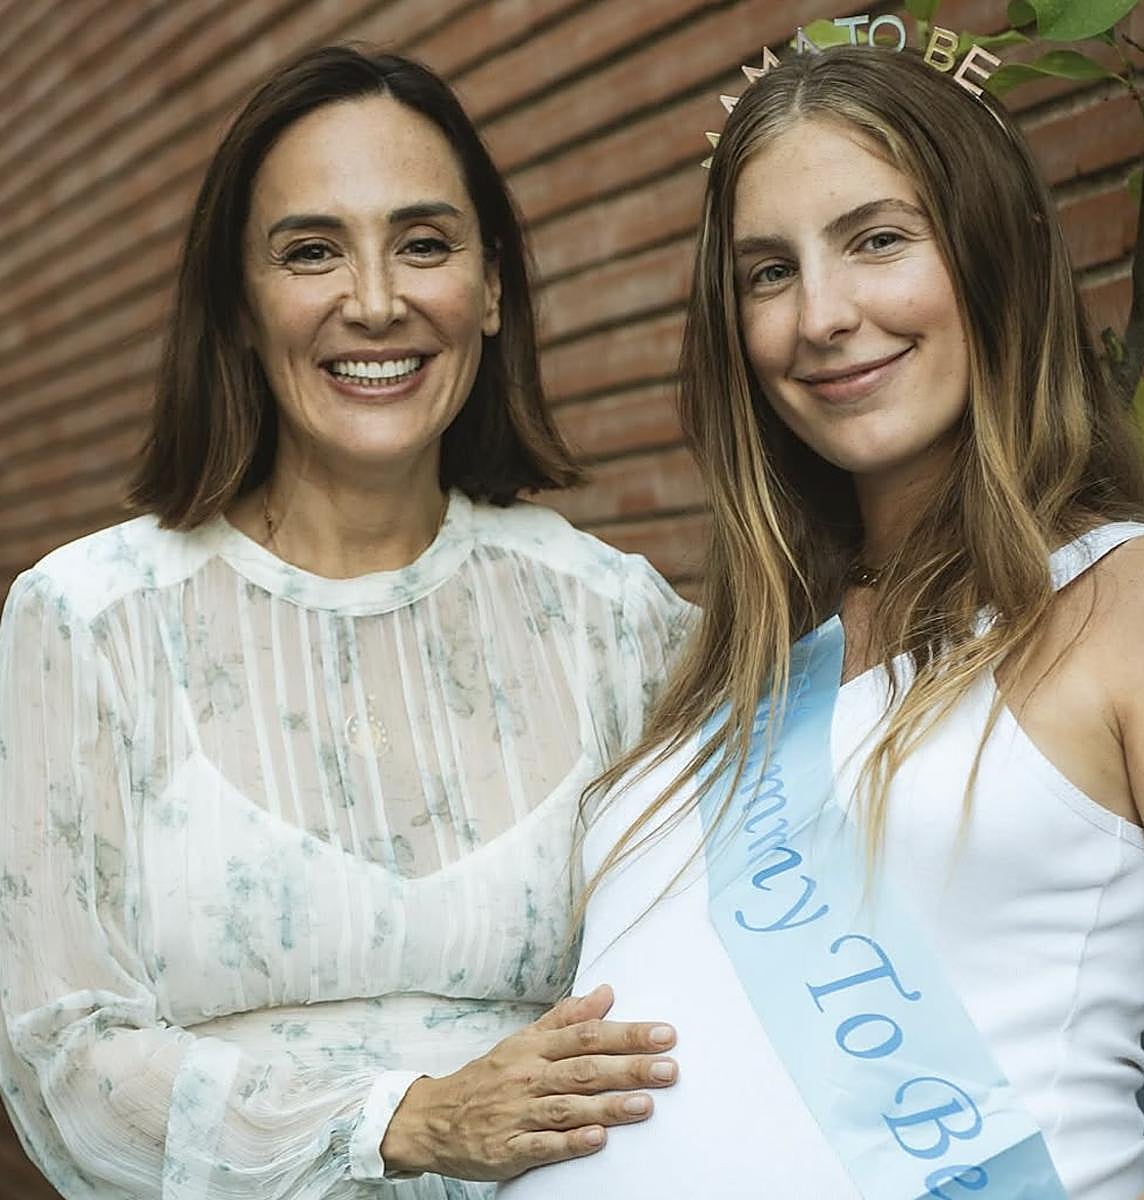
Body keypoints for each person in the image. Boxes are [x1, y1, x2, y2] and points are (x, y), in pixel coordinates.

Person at [501, 40, 1144, 1200]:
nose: (820, 316)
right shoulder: (741, 666)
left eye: (877, 239)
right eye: (767, 272)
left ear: (994, 258)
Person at [0, 46, 690, 1200]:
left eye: (425, 243)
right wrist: (401, 1120)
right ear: (237, 303)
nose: (375, 301)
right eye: (311, 251)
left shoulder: (615, 618)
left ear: (494, 287)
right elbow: (63, 1058)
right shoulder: (87, 620)